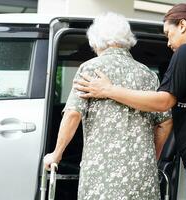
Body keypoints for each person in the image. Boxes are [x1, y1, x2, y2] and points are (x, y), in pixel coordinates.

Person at [74, 3, 186, 200]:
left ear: (182, 25)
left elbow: (163, 101)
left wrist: (109, 89)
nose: (168, 42)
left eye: (168, 33)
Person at [44, 12, 172, 200]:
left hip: (102, 174)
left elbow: (73, 114)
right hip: (143, 174)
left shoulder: (91, 69)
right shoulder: (148, 75)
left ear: (96, 41)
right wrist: (151, 157)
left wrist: (56, 154)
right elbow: (165, 122)